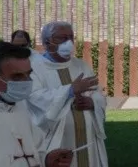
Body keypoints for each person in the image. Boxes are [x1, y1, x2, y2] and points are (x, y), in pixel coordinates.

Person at [27, 21, 109, 167]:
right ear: (47, 42)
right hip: (57, 142)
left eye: (71, 37)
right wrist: (69, 91)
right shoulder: (34, 67)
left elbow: (98, 93)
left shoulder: (81, 65)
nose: (69, 43)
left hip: (88, 141)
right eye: (62, 38)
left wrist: (93, 103)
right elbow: (34, 98)